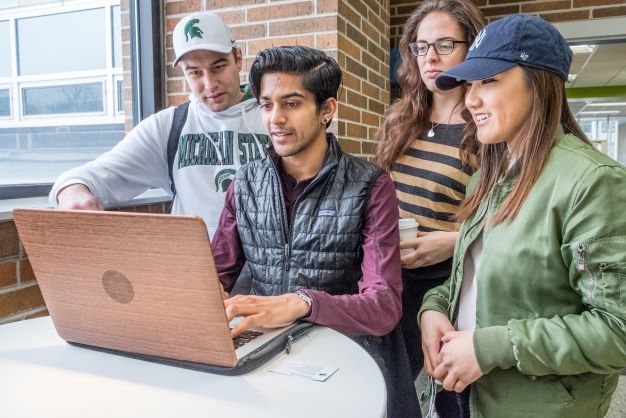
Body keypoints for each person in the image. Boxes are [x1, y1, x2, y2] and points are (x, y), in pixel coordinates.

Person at [419, 14, 626, 418]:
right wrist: (434, 307)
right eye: (470, 85)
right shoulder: (485, 177)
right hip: (466, 389)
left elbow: (617, 330)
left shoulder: (591, 182)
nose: (471, 100)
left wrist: (491, 347)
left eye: (489, 81)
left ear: (539, 82)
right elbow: (474, 278)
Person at [211, 45, 418, 418]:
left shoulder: (369, 185)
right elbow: (212, 275)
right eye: (267, 105)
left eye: (292, 104)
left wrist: (303, 302)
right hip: (262, 360)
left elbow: (385, 305)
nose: (276, 119)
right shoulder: (244, 184)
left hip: (343, 359)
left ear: (327, 110)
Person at [48, 11, 269, 238]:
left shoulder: (273, 118)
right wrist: (71, 190)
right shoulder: (170, 126)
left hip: (266, 271)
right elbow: (97, 174)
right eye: (195, 72)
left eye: (218, 67)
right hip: (194, 270)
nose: (209, 84)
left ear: (238, 59)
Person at [375, 0, 484, 415]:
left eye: (444, 44)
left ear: (471, 48)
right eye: (421, 47)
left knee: (452, 394)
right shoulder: (402, 118)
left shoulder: (485, 125)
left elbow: (508, 218)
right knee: (390, 385)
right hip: (393, 276)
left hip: (450, 280)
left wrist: (455, 242)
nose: (430, 58)